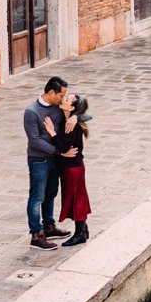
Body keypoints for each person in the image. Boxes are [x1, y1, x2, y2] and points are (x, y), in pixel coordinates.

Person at [24, 76, 72, 250]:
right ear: (51, 92)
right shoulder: (31, 112)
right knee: (37, 197)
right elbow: (34, 140)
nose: (62, 99)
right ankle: (36, 235)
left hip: (54, 160)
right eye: (61, 95)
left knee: (51, 193)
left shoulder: (57, 107)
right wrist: (58, 151)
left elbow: (82, 111)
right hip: (39, 160)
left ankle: (49, 226)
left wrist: (74, 117)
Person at [45, 93, 93, 247]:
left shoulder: (71, 125)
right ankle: (83, 230)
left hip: (72, 168)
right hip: (71, 168)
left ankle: (80, 234)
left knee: (76, 199)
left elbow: (65, 147)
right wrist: (77, 116)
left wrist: (52, 131)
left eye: (66, 99)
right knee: (76, 198)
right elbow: (87, 113)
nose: (63, 99)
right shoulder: (68, 118)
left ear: (71, 107)